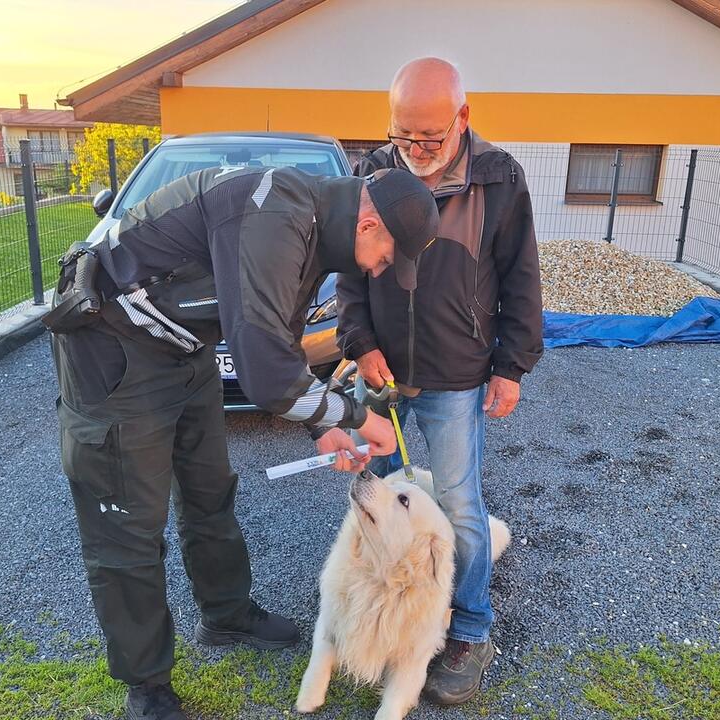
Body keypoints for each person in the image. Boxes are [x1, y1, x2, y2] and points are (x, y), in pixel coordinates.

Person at [45, 164, 439, 720]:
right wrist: (354, 417)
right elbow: (267, 377)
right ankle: (147, 687)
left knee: (209, 489)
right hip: (113, 346)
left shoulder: (312, 229)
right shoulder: (276, 215)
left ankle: (226, 613)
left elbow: (277, 344)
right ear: (369, 223)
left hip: (184, 348)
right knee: (128, 528)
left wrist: (320, 425)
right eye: (387, 257)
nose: (380, 272)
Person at [336, 57, 544, 707]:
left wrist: (512, 366)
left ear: (463, 117)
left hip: (458, 378)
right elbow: (346, 270)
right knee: (378, 497)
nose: (416, 151)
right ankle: (386, 613)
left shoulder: (500, 178)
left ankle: (471, 629)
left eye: (430, 137)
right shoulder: (371, 172)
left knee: (457, 506)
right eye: (404, 136)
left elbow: (521, 278)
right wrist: (359, 344)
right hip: (383, 374)